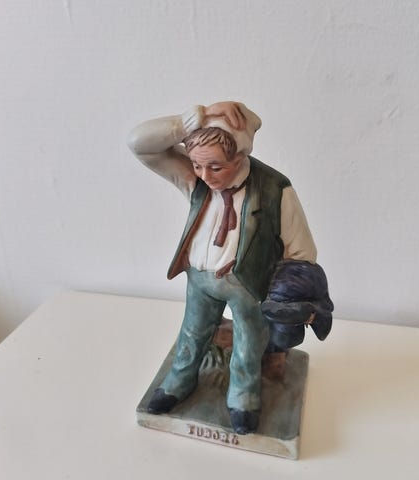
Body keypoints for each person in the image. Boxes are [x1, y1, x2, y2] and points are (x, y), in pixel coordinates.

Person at [128, 101, 333, 434]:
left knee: (249, 342)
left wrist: (288, 290)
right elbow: (139, 143)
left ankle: (243, 396)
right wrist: (189, 121)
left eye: (215, 167)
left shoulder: (275, 189)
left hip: (248, 284)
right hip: (200, 278)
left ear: (239, 157)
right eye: (197, 165)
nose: (205, 176)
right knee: (192, 332)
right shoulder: (196, 179)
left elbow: (302, 249)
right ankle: (179, 380)